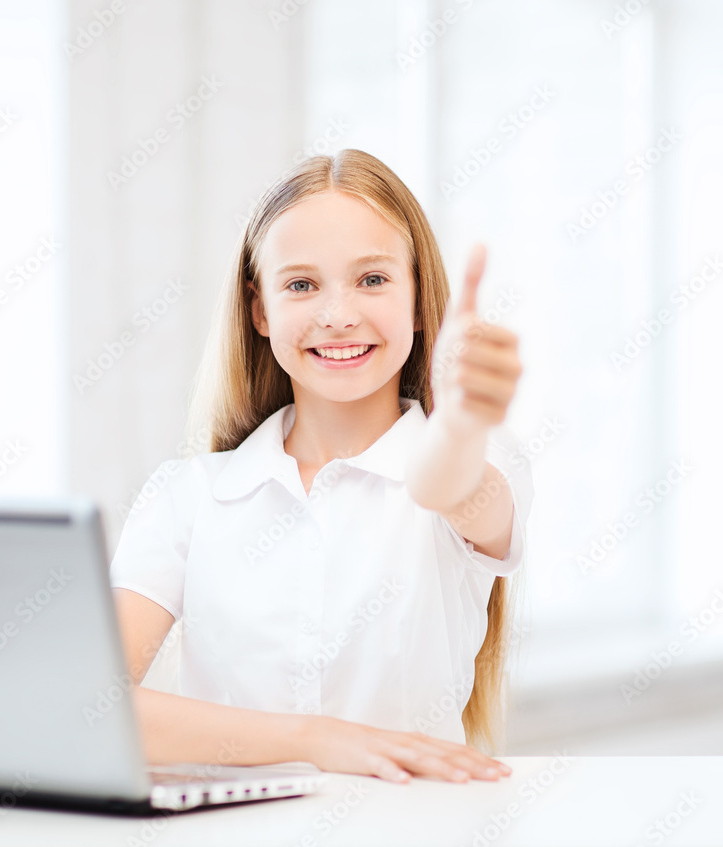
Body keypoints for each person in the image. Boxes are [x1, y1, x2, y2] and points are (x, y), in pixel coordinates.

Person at [109, 148, 532, 784]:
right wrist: (314, 740)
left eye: (373, 279)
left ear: (419, 301)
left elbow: (444, 482)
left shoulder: (478, 461)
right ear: (260, 310)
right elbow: (90, 706)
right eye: (301, 285)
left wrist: (463, 423)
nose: (337, 315)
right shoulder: (188, 496)